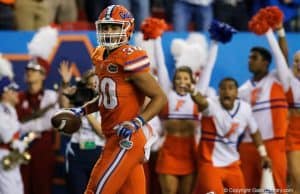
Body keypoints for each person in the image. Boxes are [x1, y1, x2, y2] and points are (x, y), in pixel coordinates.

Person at [62, 5, 167, 194]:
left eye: (114, 27)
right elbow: (106, 97)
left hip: (127, 139)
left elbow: (159, 97)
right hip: (111, 139)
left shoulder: (130, 57)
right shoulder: (100, 56)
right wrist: (81, 110)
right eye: (105, 27)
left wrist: (137, 122)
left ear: (127, 28)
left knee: (94, 191)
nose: (109, 32)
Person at [153, 20, 235, 194]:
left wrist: (214, 42)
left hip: (190, 151)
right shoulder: (168, 93)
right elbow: (161, 66)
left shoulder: (198, 93)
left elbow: (209, 69)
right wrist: (156, 38)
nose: (182, 81)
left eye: (185, 78)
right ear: (174, 80)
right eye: (178, 78)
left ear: (192, 81)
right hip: (168, 151)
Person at [187, 77, 271, 193]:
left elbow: (255, 132)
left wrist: (263, 154)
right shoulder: (212, 105)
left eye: (230, 88)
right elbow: (201, 101)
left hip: (232, 164)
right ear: (219, 92)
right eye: (223, 88)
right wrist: (192, 90)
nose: (226, 91)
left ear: (237, 92)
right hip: (209, 164)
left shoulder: (245, 109)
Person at [238, 46, 289, 191]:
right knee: (244, 189)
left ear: (266, 62)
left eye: (254, 58)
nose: (250, 61)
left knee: (276, 188)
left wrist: (279, 31)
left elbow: (282, 57)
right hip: (247, 145)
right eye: (249, 58)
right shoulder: (241, 91)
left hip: (273, 143)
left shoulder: (277, 79)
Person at [58, 63, 106, 194]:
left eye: (95, 84)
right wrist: (65, 84)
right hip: (76, 152)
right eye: (89, 85)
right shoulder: (78, 99)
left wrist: (87, 110)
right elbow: (64, 108)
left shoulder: (108, 103)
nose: (93, 88)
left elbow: (103, 133)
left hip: (99, 154)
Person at [16, 58, 59, 194]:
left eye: (34, 70)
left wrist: (27, 125)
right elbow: (13, 126)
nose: (29, 73)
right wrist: (36, 124)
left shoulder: (51, 97)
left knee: (43, 188)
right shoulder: (18, 98)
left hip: (43, 151)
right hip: (21, 152)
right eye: (28, 70)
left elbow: (50, 122)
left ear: (43, 75)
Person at [267, 25, 300, 194]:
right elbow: (281, 56)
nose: (298, 64)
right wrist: (279, 32)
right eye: (296, 61)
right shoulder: (288, 81)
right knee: (296, 178)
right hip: (293, 135)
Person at [0, 76, 25, 194]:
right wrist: (18, 143)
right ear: (4, 93)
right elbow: (7, 136)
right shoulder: (1, 109)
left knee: (17, 189)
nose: (17, 93)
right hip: (3, 154)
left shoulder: (10, 109)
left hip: (11, 155)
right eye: (13, 90)